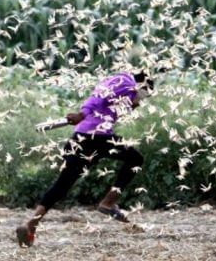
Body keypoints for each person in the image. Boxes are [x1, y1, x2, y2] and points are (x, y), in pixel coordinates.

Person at [16, 71, 154, 248]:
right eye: (142, 96)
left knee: (62, 185)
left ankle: (30, 225)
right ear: (140, 86)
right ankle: (108, 203)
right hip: (99, 138)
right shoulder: (125, 81)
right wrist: (82, 114)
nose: (140, 102)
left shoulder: (120, 89)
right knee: (136, 159)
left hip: (81, 138)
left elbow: (105, 102)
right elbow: (97, 98)